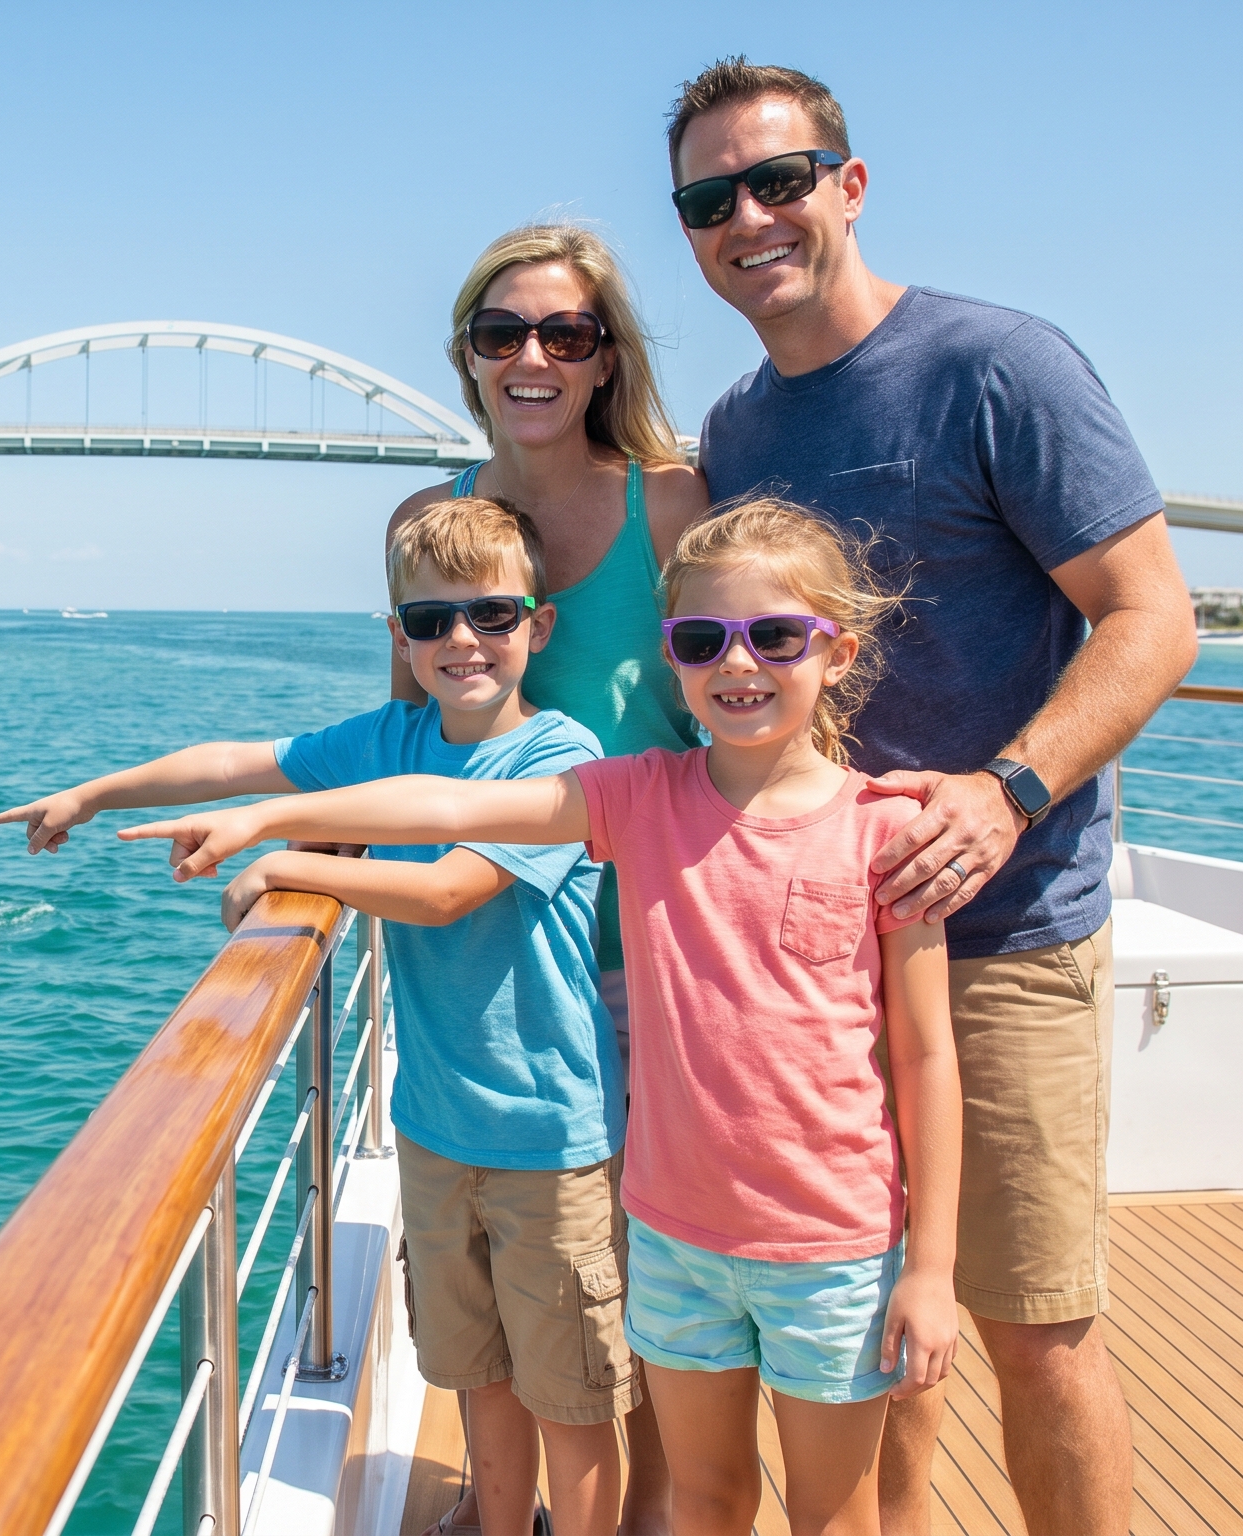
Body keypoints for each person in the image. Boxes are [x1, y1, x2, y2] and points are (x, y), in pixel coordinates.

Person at [122, 499, 965, 1536]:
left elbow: (926, 1057)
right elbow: (442, 806)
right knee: (707, 1497)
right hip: (673, 1232)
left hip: (832, 1246)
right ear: (671, 657)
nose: (737, 664)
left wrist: (930, 1269)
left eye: (775, 636)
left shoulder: (889, 833)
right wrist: (269, 814)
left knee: (835, 1515)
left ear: (836, 652)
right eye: (702, 640)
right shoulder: (635, 796)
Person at [665, 57, 1199, 1534]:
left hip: (1005, 930)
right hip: (816, 959)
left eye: (778, 180)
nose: (747, 218)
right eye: (710, 199)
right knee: (880, 1325)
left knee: (1035, 1331)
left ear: (849, 182)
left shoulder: (998, 368)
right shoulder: (738, 429)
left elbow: (1154, 616)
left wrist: (1008, 790)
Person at [0, 499, 633, 1536]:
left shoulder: (559, 757)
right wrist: (93, 793)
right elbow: (235, 761)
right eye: (430, 622)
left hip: (546, 1142)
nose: (461, 641)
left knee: (573, 1401)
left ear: (537, 626)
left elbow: (445, 891)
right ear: (400, 640)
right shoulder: (395, 737)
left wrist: (284, 861)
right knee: (477, 1376)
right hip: (432, 1125)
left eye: (491, 615)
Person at [391, 220, 704, 1536]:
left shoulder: (671, 502)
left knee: (628, 1278)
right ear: (467, 357)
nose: (531, 355)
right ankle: (511, 1506)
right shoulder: (440, 525)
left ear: (604, 358)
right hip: (505, 970)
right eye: (500, 331)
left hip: (653, 956)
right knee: (520, 1270)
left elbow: (735, 708)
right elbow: (404, 736)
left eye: (564, 333)